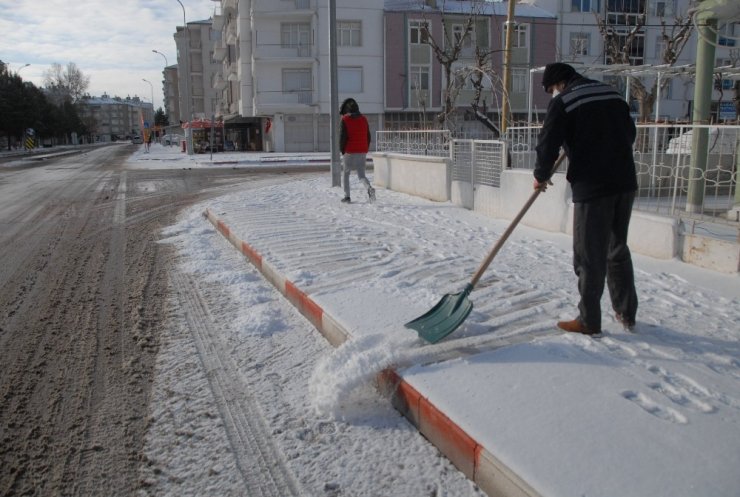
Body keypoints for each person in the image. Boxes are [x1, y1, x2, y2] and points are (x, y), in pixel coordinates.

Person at [533, 62, 639, 336]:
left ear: (558, 84)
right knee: (617, 249)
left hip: (593, 187)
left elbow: (547, 143)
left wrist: (541, 175)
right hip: (625, 181)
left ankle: (588, 321)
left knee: (588, 256)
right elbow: (630, 134)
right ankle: (626, 313)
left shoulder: (565, 102)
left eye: (551, 89)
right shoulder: (613, 94)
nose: (553, 94)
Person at [339, 98, 375, 203]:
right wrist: (365, 148)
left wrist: (342, 150)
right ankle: (369, 188)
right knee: (361, 175)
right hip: (362, 150)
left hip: (349, 151)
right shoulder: (364, 119)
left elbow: (342, 137)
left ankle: (347, 196)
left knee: (346, 174)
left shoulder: (345, 119)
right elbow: (368, 135)